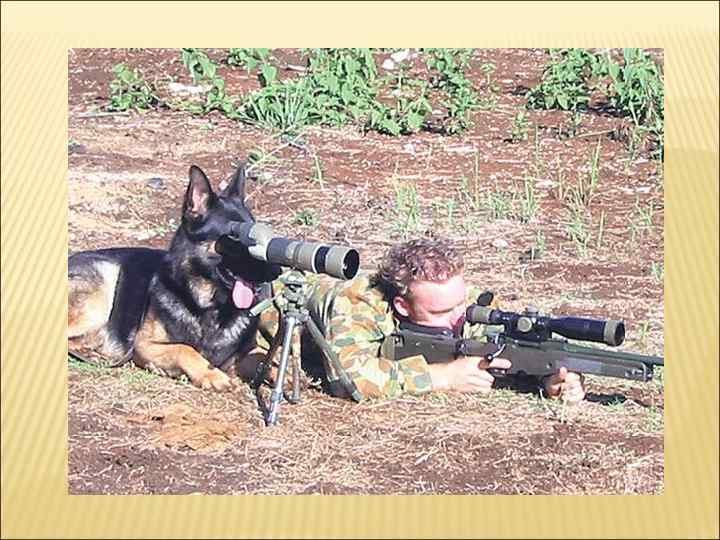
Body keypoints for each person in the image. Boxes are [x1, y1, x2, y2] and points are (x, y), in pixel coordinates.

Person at [252, 238, 586, 403]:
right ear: (402, 305)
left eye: (460, 303)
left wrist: (548, 378)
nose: (459, 317)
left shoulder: (465, 302)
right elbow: (349, 381)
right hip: (261, 309)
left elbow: (508, 351)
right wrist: (444, 376)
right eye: (440, 313)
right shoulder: (356, 301)